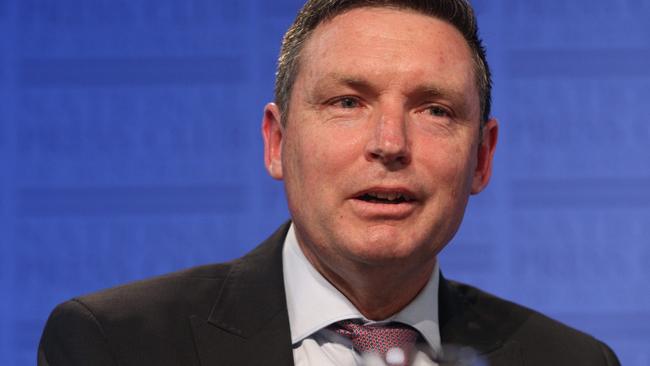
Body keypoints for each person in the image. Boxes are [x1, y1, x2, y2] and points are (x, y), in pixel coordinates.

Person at [38, 1, 620, 365]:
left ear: (482, 160)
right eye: (347, 102)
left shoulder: (571, 359)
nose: (390, 143)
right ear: (278, 142)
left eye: (435, 110)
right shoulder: (116, 345)